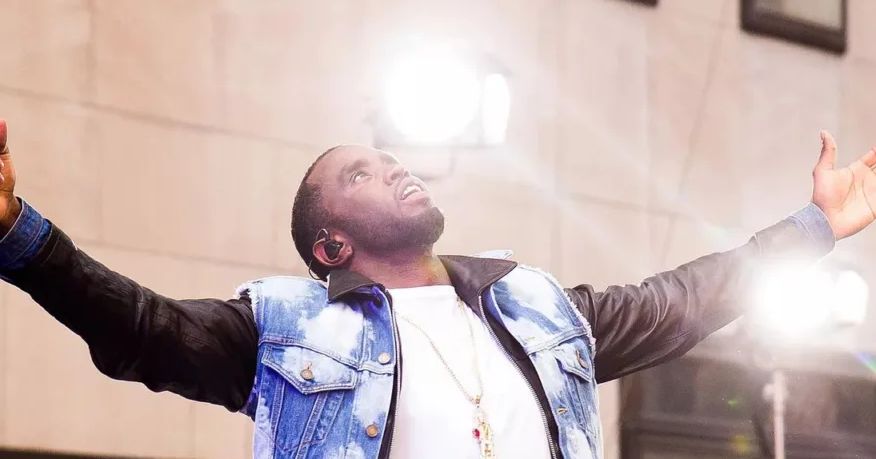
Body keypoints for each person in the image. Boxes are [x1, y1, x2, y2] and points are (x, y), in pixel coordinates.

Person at [0, 117, 871, 459]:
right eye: (362, 173)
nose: (394, 168)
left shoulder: (537, 308)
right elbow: (141, 328)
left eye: (389, 158)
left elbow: (681, 301)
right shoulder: (284, 330)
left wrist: (814, 227)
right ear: (331, 243)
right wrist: (16, 234)